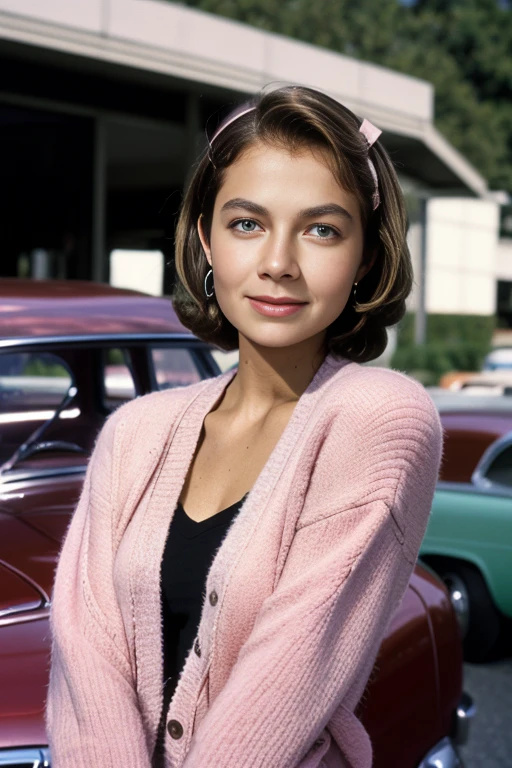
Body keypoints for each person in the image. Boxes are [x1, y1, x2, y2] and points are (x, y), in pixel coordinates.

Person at [46, 85, 442, 768]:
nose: (279, 263)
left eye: (322, 229)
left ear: (366, 258)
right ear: (205, 237)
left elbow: (287, 678)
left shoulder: (380, 419)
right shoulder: (135, 431)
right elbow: (85, 657)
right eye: (246, 223)